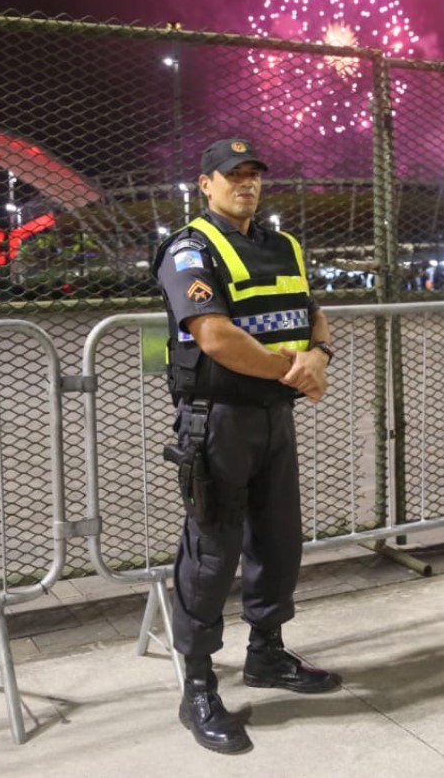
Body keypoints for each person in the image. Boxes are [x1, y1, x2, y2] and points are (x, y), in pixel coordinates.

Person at [152, 137, 341, 754]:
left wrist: (320, 355)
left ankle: (267, 655)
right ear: (205, 184)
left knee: (278, 541)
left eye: (254, 175)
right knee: (212, 555)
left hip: (273, 419)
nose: (246, 184)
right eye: (233, 176)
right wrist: (295, 372)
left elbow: (313, 315)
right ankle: (198, 687)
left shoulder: (282, 245)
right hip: (220, 420)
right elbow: (214, 337)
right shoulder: (190, 248)